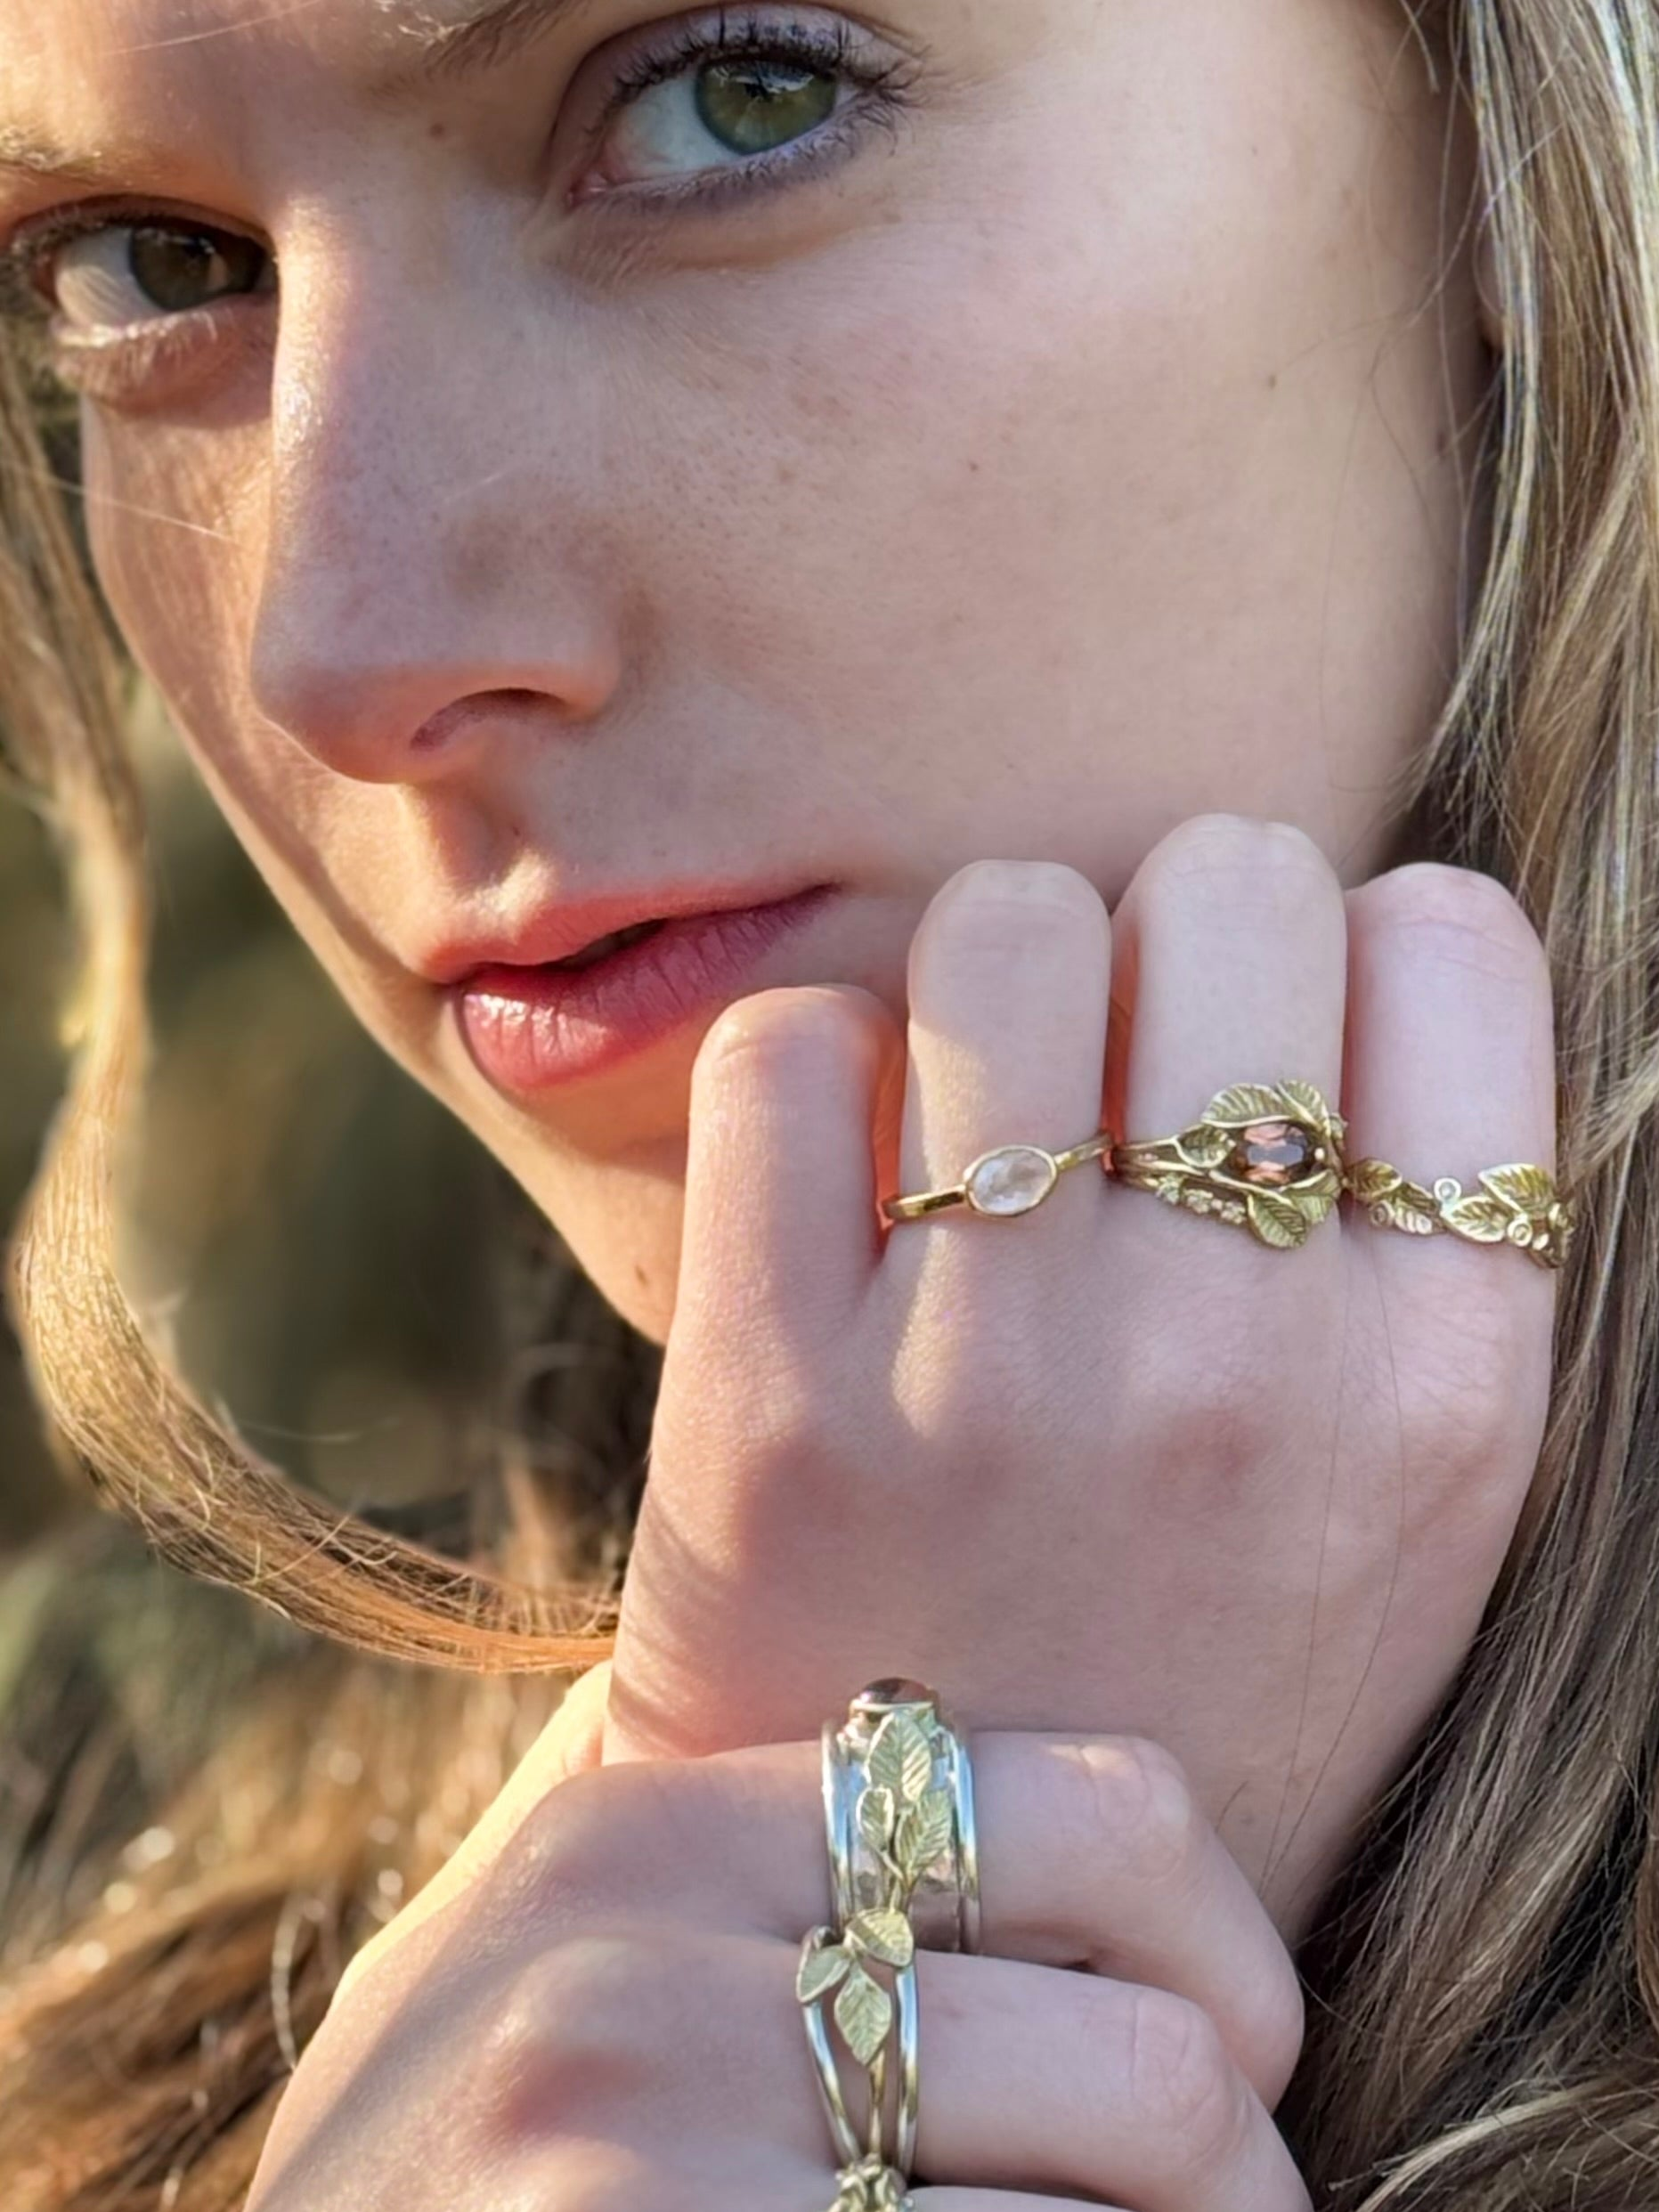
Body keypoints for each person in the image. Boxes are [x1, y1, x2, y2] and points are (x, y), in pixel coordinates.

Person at [0, 0, 1647, 2203]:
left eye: (733, 99)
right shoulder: (80, 1866)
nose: (340, 649)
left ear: (1516, 131)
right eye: (152, 265)